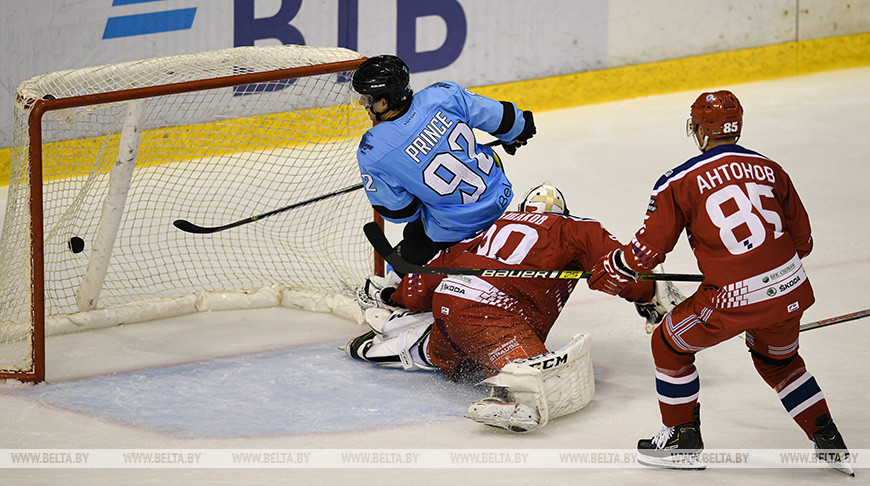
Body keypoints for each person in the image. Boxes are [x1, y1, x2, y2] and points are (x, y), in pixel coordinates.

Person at [586, 90, 853, 474]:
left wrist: (614, 267)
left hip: (734, 296)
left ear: (699, 129)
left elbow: (645, 254)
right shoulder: (772, 169)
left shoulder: (677, 181)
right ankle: (828, 438)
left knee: (668, 344)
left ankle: (681, 439)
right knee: (779, 362)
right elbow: (803, 243)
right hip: (791, 288)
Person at [345, 183, 682, 432]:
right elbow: (618, 269)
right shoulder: (576, 228)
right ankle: (509, 396)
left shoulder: (496, 223)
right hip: (490, 318)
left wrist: (397, 297)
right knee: (536, 378)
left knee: (460, 357)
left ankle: (418, 346)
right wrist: (648, 292)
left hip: (448, 305)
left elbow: (440, 267)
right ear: (561, 214)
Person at [351, 54, 536, 267]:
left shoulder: (373, 149)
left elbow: (400, 211)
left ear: (384, 102)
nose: (361, 102)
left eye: (367, 97)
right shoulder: (443, 94)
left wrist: (417, 185)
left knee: (411, 241)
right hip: (499, 199)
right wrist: (516, 135)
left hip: (455, 229)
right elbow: (508, 121)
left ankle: (398, 286)